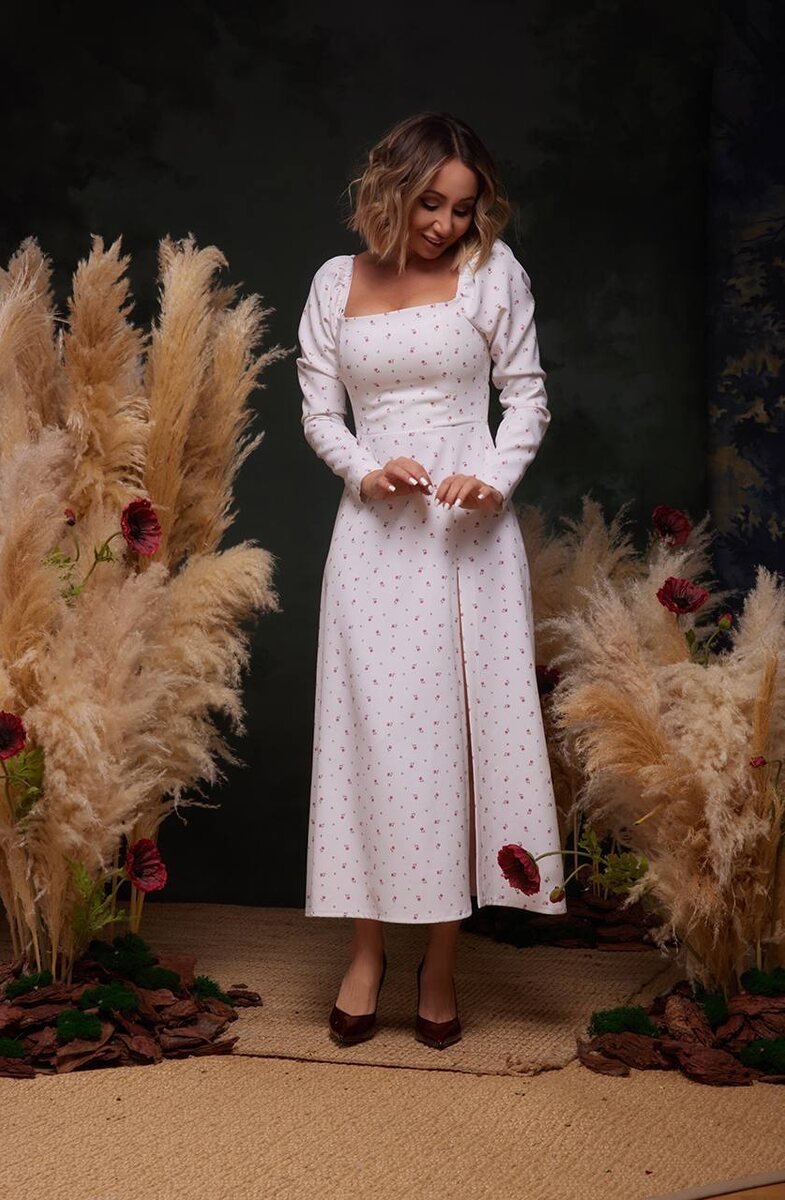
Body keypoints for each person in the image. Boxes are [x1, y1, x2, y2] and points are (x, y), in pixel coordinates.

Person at [296, 111, 566, 1050]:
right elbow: (318, 411)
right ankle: (366, 953)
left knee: (455, 745)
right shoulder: (334, 282)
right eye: (429, 204)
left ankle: (440, 963)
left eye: (461, 208)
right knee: (371, 741)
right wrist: (365, 471)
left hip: (466, 543)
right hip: (373, 540)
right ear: (391, 190)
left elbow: (525, 396)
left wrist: (489, 478)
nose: (446, 224)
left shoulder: (493, 272)